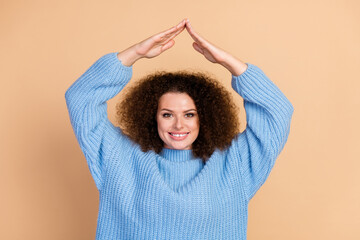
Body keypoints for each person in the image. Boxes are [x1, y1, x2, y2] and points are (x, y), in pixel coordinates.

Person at [65, 19, 294, 239]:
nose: (178, 125)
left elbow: (278, 112)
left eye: (189, 114)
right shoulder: (119, 158)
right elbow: (80, 98)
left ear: (204, 118)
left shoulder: (235, 164)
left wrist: (230, 63)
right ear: (151, 117)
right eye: (167, 114)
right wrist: (135, 53)